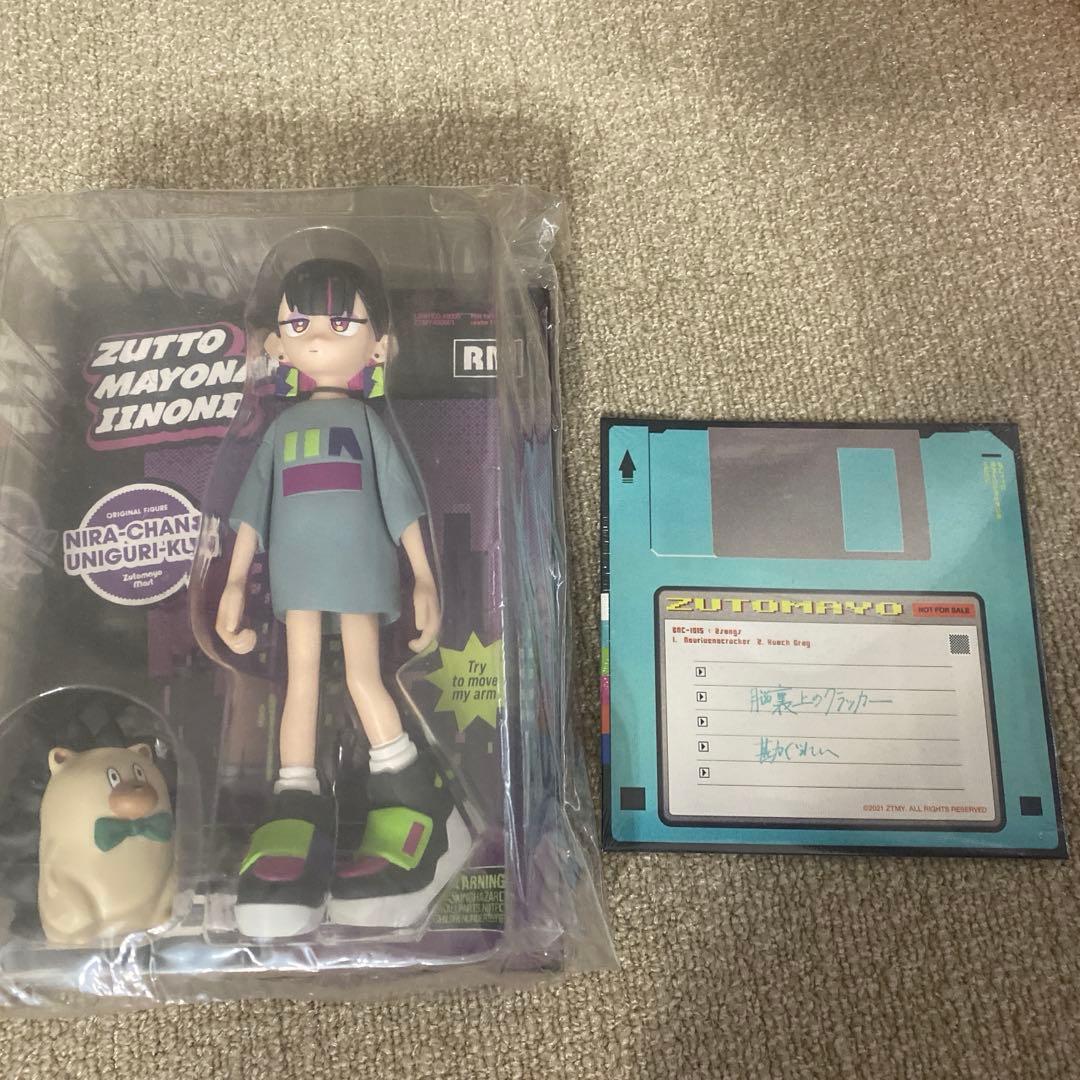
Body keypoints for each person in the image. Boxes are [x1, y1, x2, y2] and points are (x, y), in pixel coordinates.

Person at [217, 243, 468, 938]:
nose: (319, 339)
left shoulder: (367, 424)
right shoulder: (280, 430)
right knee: (298, 680)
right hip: (297, 577)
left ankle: (411, 789)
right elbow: (251, 513)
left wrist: (424, 577)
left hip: (360, 569)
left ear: (379, 346)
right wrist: (233, 582)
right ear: (276, 344)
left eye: (340, 324)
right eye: (299, 325)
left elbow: (403, 506)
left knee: (363, 677)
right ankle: (295, 798)